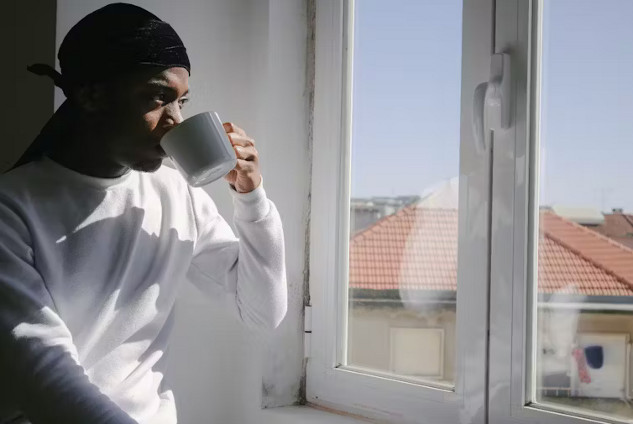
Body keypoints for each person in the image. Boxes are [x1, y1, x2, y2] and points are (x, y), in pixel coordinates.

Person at [0, 3, 287, 424]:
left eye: (182, 102)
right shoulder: (12, 207)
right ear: (91, 95)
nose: (176, 121)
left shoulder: (176, 193)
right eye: (158, 97)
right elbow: (45, 375)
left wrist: (251, 197)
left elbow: (263, 311)